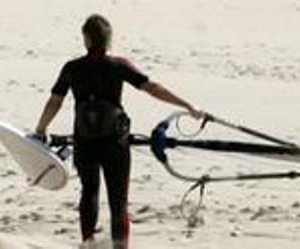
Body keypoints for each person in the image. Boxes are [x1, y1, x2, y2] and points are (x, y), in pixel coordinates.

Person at [34, 14, 202, 249]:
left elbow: (55, 101)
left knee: (89, 192)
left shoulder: (72, 68)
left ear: (86, 38)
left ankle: (88, 242)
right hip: (114, 142)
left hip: (85, 140)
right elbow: (152, 88)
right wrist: (187, 106)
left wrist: (41, 129)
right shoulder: (118, 65)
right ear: (108, 39)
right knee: (118, 201)